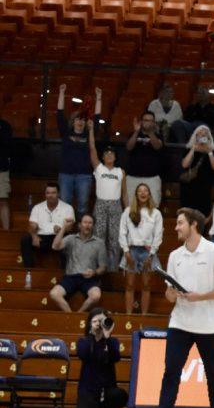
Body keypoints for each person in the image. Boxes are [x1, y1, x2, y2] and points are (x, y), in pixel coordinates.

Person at [135, 208, 214, 408]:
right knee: (171, 371)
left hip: (211, 323)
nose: (176, 227)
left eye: (180, 223)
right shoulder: (174, 256)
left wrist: (200, 297)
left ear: (193, 225)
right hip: (180, 321)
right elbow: (170, 296)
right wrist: (172, 292)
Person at [75, 308, 127, 408]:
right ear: (89, 324)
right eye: (95, 321)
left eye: (101, 320)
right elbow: (83, 354)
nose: (98, 324)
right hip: (88, 390)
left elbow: (115, 357)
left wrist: (107, 336)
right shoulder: (83, 341)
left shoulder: (112, 342)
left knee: (121, 395)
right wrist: (92, 334)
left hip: (107, 390)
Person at [56, 84, 101, 217]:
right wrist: (62, 92)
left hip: (84, 176)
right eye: (77, 119)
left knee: (82, 206)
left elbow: (97, 118)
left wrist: (99, 98)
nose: (80, 121)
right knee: (65, 206)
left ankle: (81, 234)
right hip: (66, 175)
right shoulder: (65, 132)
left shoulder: (89, 134)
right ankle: (66, 235)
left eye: (82, 119)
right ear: (72, 121)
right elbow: (59, 114)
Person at [119, 183, 163, 315]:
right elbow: (122, 232)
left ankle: (143, 316)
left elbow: (158, 235)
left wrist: (151, 255)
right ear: (136, 194)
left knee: (146, 285)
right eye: (140, 191)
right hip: (131, 251)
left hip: (147, 251)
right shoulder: (128, 211)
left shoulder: (156, 213)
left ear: (149, 194)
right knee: (130, 285)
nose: (143, 193)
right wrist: (126, 252)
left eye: (146, 191)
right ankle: (128, 315)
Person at [50, 213, 106, 313]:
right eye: (85, 222)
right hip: (70, 277)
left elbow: (103, 267)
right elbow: (55, 246)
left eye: (90, 223)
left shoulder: (99, 243)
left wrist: (94, 273)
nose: (87, 225)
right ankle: (71, 316)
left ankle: (79, 314)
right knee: (54, 294)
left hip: (89, 278)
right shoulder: (71, 238)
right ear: (79, 225)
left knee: (96, 295)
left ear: (93, 226)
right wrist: (64, 227)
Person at [89, 123, 125, 271]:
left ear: (115, 157)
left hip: (116, 205)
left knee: (115, 238)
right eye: (106, 154)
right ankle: (98, 266)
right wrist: (91, 130)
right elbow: (92, 149)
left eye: (112, 154)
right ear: (103, 157)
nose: (109, 155)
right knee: (98, 236)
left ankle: (113, 268)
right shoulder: (99, 168)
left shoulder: (120, 171)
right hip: (101, 205)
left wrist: (128, 210)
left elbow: (124, 193)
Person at [21, 183, 75, 268]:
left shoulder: (68, 208)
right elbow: (31, 225)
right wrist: (34, 236)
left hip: (59, 237)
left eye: (53, 193)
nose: (50, 195)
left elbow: (70, 227)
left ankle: (64, 271)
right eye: (48, 193)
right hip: (41, 238)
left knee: (69, 238)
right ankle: (29, 269)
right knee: (26, 239)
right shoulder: (37, 207)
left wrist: (61, 230)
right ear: (45, 194)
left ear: (59, 194)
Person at [179, 125, 214, 217]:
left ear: (209, 137)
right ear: (195, 136)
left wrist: (209, 151)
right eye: (199, 135)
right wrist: (193, 149)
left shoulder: (213, 150)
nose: (202, 137)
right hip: (189, 187)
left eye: (204, 135)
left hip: (204, 188)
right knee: (188, 216)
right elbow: (184, 164)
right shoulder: (189, 149)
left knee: (202, 215)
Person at [125, 111, 164, 207]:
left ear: (154, 123)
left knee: (154, 206)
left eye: (151, 121)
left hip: (152, 177)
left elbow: (157, 146)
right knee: (130, 206)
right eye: (146, 120)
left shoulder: (158, 136)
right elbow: (129, 147)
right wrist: (136, 131)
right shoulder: (134, 134)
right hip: (133, 176)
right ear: (141, 122)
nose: (148, 123)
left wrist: (150, 132)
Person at [0, 116, 12, 230]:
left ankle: (6, 232)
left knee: (3, 200)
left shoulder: (4, 126)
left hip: (1, 168)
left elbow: (7, 144)